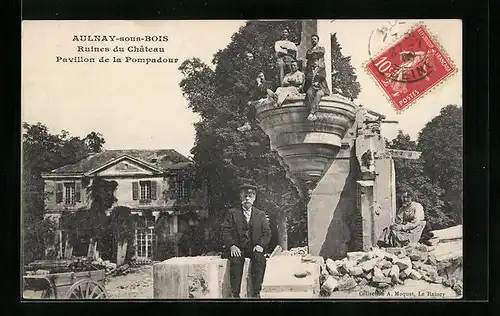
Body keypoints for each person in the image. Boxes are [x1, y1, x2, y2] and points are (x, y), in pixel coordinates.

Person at [220, 180, 271, 298]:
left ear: (254, 198)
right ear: (240, 196)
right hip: (238, 247)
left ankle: (256, 293)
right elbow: (225, 231)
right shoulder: (232, 213)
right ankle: (235, 294)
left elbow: (267, 233)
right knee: (235, 261)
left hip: (254, 247)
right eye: (245, 195)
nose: (247, 198)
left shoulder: (260, 214)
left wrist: (261, 245)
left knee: (260, 259)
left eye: (250, 195)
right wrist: (232, 245)